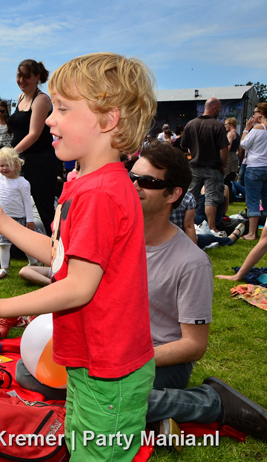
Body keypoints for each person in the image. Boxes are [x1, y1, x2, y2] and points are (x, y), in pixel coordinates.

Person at [0, 52, 157, 461]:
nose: (50, 119)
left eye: (64, 109)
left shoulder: (99, 193)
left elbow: (77, 286)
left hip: (108, 369)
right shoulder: (85, 182)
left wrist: (3, 305)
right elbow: (61, 256)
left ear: (108, 120)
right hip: (92, 361)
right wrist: (2, 223)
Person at [131, 144, 267, 445]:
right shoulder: (119, 240)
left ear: (173, 194)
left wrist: (128, 360)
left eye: (149, 182)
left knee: (100, 398)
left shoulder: (191, 262)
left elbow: (193, 346)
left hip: (162, 361)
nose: (136, 187)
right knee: (29, 374)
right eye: (133, 177)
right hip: (116, 351)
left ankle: (211, 402)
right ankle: (159, 415)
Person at [9, 59, 59, 236]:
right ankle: (15, 247)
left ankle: (55, 249)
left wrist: (10, 154)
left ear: (37, 77)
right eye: (19, 75)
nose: (21, 80)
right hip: (21, 161)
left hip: (41, 162)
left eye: (26, 76)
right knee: (14, 206)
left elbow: (34, 134)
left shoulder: (42, 100)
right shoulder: (21, 98)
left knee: (43, 207)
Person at [0, 147, 37, 281]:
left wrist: (29, 219)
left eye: (8, 165)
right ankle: (4, 268)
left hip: (21, 219)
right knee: (3, 244)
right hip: (4, 219)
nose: (4, 168)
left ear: (16, 165)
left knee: (25, 243)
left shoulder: (23, 182)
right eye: (1, 165)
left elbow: (27, 202)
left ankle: (34, 263)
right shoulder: (0, 178)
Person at [181, 98, 229, 233]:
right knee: (211, 198)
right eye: (219, 108)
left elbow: (184, 148)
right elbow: (224, 148)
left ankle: (187, 225)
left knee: (190, 197)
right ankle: (212, 228)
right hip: (213, 168)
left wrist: (190, 160)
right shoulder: (217, 125)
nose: (220, 110)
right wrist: (224, 164)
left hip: (194, 167)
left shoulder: (191, 124)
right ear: (214, 107)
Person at [239, 103, 267, 240]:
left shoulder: (257, 128)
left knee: (253, 200)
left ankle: (251, 233)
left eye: (255, 112)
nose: (253, 115)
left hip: (255, 166)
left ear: (261, 114)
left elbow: (244, 144)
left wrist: (246, 130)